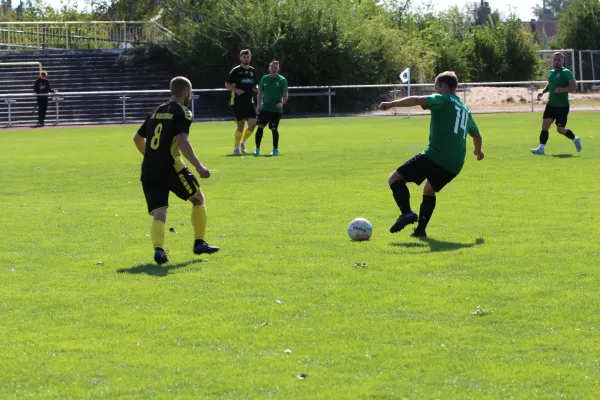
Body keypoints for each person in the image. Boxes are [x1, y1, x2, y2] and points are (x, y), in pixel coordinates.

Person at [377, 71, 484, 238]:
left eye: (436, 88)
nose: (436, 91)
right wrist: (478, 151)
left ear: (443, 86)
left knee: (394, 178)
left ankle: (406, 213)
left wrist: (391, 104)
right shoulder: (465, 109)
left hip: (436, 155)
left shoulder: (442, 99)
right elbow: (477, 136)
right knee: (429, 189)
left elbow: (417, 100)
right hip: (456, 163)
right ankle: (420, 230)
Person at [133, 76, 219, 265]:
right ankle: (199, 242)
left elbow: (137, 139)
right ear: (186, 91)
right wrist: (199, 166)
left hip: (149, 169)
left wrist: (151, 157)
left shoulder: (155, 112)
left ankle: (159, 250)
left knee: (160, 211)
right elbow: (182, 141)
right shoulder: (183, 112)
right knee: (198, 199)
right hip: (171, 166)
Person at [531, 52, 581, 155]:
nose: (556, 61)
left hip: (562, 106)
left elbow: (574, 86)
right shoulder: (551, 73)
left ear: (563, 61)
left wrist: (563, 89)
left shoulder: (566, 72)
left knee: (560, 129)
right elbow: (550, 84)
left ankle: (575, 139)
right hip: (551, 104)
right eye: (555, 59)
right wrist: (543, 91)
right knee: (545, 125)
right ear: (552, 61)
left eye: (559, 60)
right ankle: (541, 148)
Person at [225, 49, 258, 155]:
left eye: (248, 56)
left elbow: (254, 85)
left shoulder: (253, 71)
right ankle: (236, 148)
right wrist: (236, 90)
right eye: (244, 57)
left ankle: (242, 142)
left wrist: (256, 88)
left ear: (250, 57)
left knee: (253, 124)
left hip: (249, 101)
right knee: (241, 125)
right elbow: (227, 84)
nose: (246, 58)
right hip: (237, 102)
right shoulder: (236, 70)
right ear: (240, 58)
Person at [253, 60, 288, 156]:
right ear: (269, 68)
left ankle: (275, 149)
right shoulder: (264, 79)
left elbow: (285, 94)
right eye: (272, 67)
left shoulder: (282, 80)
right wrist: (258, 105)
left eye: (275, 67)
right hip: (265, 108)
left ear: (278, 69)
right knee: (260, 127)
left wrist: (282, 103)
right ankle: (257, 149)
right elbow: (260, 93)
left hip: (276, 110)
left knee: (273, 128)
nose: (273, 69)